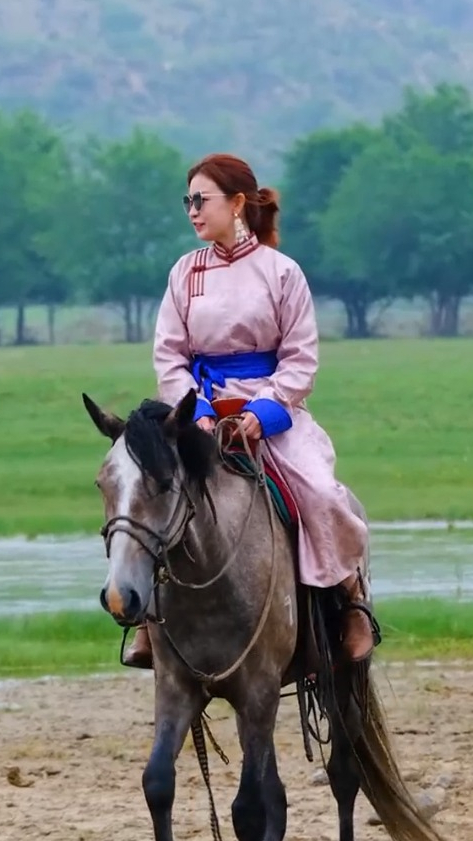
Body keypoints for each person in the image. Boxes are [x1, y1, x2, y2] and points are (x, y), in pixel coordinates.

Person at [124, 152, 375, 669]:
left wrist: (263, 414)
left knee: (322, 493)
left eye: (202, 200)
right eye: (187, 201)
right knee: (145, 491)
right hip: (199, 411)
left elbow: (301, 359)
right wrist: (195, 413)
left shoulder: (282, 273)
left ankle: (350, 602)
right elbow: (169, 355)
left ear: (238, 203)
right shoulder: (183, 272)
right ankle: (148, 618)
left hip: (268, 407)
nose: (193, 211)